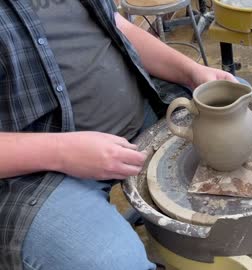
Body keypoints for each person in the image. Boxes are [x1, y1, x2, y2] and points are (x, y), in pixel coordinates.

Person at [0, 1, 237, 269]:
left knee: (235, 97)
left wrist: (191, 72)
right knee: (116, 262)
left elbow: (115, 24)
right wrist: (61, 152)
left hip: (138, 111)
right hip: (35, 168)